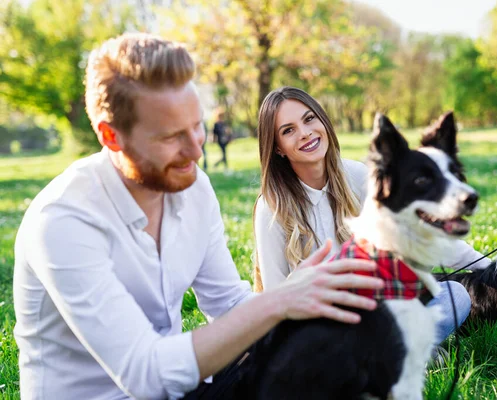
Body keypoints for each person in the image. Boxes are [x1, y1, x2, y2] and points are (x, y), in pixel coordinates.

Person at [12, 33, 385, 400]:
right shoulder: (62, 222)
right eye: (171, 136)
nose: (195, 150)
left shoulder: (193, 188)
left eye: (197, 126)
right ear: (111, 137)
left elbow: (227, 307)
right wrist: (281, 300)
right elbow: (146, 375)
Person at [252, 86, 491, 347]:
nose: (305, 133)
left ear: (322, 120)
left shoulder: (357, 176)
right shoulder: (271, 208)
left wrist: (494, 268)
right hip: (316, 334)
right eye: (288, 130)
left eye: (309, 119)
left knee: (455, 297)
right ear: (277, 148)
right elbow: (274, 300)